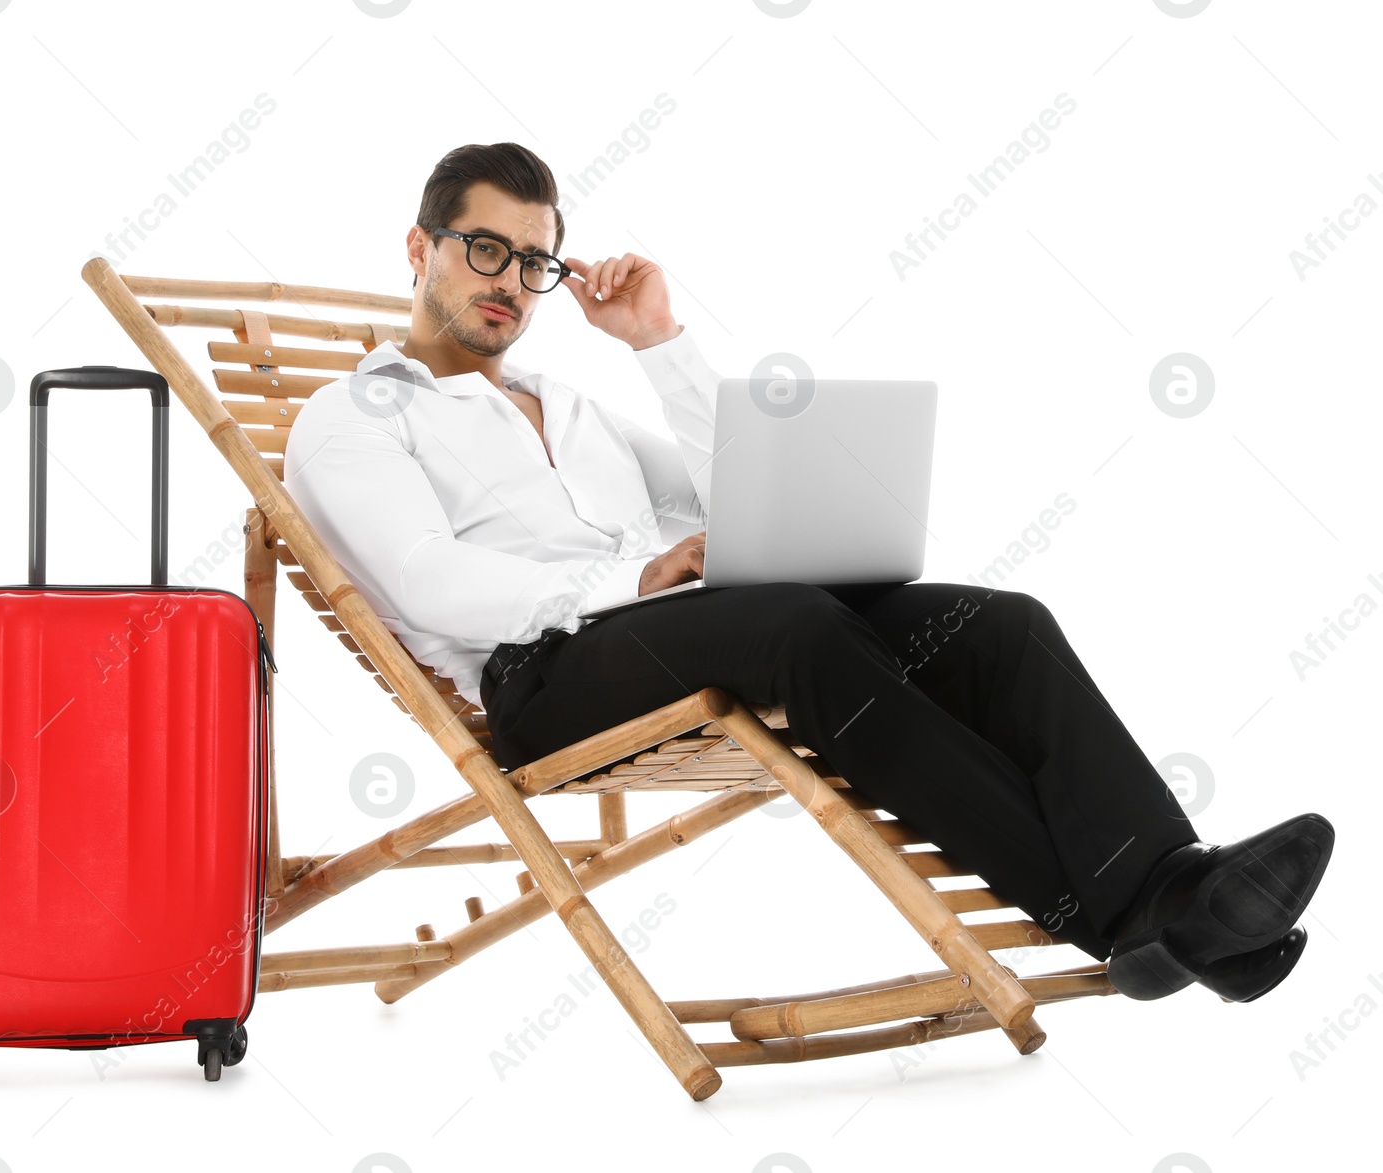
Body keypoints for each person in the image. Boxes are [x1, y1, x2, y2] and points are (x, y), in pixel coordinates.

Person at [284, 142, 1335, 1004]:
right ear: (419, 247)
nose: (511, 281)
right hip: (541, 679)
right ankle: (1131, 916)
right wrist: (635, 582)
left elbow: (726, 499)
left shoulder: (567, 402)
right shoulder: (354, 415)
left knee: (1000, 625)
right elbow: (423, 582)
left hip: (690, 624)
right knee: (792, 625)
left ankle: (1175, 887)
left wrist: (657, 345)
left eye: (534, 262)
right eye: (483, 249)